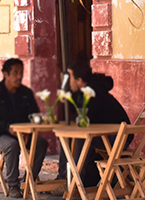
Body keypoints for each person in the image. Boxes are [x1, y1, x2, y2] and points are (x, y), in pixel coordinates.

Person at [54, 60, 130, 190]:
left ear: (79, 80)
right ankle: (65, 179)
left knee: (81, 138)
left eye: (70, 78)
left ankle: (75, 182)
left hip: (118, 137)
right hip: (110, 135)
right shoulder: (87, 91)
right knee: (66, 138)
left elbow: (85, 119)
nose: (68, 82)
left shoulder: (93, 93)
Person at [0, 57, 47, 198]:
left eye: (21, 73)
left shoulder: (26, 93)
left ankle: (28, 181)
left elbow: (32, 115)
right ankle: (13, 185)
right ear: (6, 74)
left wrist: (29, 132)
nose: (19, 76)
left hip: (23, 134)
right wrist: (7, 128)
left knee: (41, 143)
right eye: (15, 73)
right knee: (12, 145)